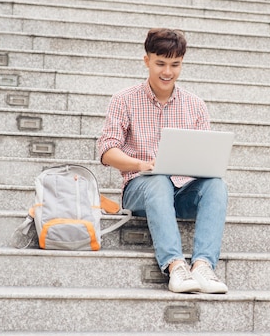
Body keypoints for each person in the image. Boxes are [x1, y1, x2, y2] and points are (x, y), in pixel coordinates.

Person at [96, 28, 229, 294]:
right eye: (160, 63)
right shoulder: (124, 100)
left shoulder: (196, 105)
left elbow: (204, 154)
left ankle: (203, 265)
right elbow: (107, 151)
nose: (167, 72)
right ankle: (175, 265)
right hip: (141, 188)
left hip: (183, 191)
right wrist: (140, 165)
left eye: (175, 65)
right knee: (157, 180)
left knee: (216, 184)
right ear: (147, 60)